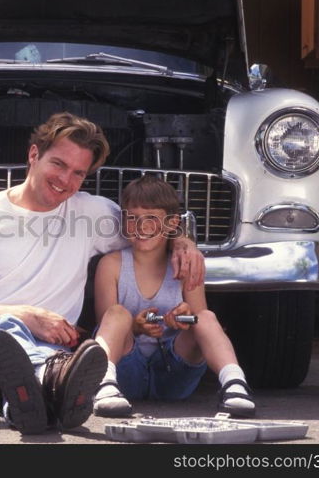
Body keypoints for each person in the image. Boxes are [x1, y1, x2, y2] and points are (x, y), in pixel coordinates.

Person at [0, 112, 205, 434]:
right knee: (4, 332)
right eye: (58, 164)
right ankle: (49, 383)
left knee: (33, 375)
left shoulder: (89, 213)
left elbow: (149, 231)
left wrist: (183, 241)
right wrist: (25, 317)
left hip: (53, 352)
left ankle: (29, 401)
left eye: (78, 173)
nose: (66, 180)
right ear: (34, 155)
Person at [92, 175, 255, 418]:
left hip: (173, 369)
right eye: (133, 218)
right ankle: (104, 384)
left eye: (152, 220)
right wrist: (136, 328)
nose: (141, 227)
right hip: (126, 370)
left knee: (205, 317)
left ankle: (235, 385)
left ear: (171, 223)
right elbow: (104, 325)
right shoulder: (111, 265)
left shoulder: (185, 264)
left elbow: (196, 323)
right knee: (117, 313)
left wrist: (183, 319)